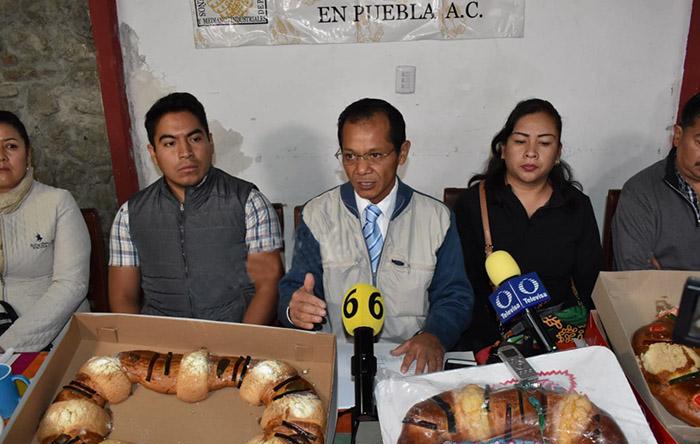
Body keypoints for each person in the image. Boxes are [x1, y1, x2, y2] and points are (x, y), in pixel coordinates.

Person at [278, 98, 473, 374]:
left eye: (375, 155)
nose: (361, 169)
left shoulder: (436, 218)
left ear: (402, 153)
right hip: (338, 363)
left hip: (410, 360)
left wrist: (435, 335)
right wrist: (293, 310)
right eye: (350, 156)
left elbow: (454, 295)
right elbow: (296, 290)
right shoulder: (318, 214)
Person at [108, 92, 283, 324]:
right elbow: (123, 297)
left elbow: (268, 285)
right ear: (153, 153)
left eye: (195, 139)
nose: (185, 153)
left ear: (210, 141)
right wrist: (144, 350)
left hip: (239, 338)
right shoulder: (130, 214)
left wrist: (241, 348)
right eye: (170, 143)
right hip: (164, 346)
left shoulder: (248, 202)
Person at [454, 99, 602, 352]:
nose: (531, 152)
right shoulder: (472, 205)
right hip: (488, 342)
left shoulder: (577, 206)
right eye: (520, 141)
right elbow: (462, 287)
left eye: (544, 143)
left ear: (557, 153)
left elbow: (590, 285)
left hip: (560, 341)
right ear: (502, 149)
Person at [0, 111, 90, 352]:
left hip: (54, 339)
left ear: (28, 154)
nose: (1, 156)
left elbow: (72, 284)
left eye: (10, 146)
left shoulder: (58, 202)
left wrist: (7, 345)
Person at [613, 92, 700, 271]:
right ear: (678, 135)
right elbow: (636, 276)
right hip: (661, 299)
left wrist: (667, 277)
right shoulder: (641, 192)